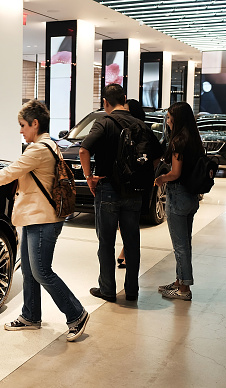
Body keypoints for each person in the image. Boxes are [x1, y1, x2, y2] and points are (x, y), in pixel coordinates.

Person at [0, 100, 89, 342]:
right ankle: (30, 316)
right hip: (35, 217)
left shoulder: (38, 149)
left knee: (42, 272)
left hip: (43, 219)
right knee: (28, 271)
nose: (20, 130)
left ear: (35, 124)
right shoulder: (50, 144)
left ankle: (76, 314)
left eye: (23, 125)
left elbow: (9, 173)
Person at [79, 84, 160, 303]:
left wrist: (89, 177)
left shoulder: (104, 123)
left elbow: (84, 149)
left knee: (106, 242)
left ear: (105, 102)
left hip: (107, 190)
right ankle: (132, 291)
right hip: (134, 192)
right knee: (132, 241)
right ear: (124, 98)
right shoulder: (141, 125)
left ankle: (107, 289)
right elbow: (157, 155)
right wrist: (144, 175)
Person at [154, 101, 205, 301]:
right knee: (185, 243)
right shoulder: (194, 139)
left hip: (178, 196)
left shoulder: (178, 142)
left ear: (177, 119)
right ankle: (179, 281)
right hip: (192, 197)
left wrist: (161, 179)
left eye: (169, 118)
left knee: (180, 245)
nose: (167, 121)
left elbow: (175, 173)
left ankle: (184, 289)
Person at [116, 99, 147, 268]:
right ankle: (125, 250)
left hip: (136, 181)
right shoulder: (121, 129)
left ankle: (128, 253)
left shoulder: (141, 129)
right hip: (123, 181)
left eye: (126, 109)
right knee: (125, 223)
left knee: (131, 223)